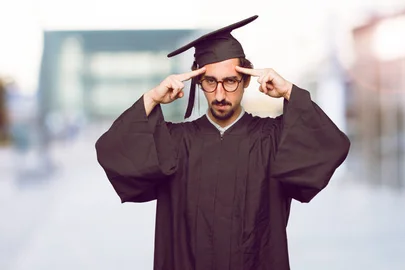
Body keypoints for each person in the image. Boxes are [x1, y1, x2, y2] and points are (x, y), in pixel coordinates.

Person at [95, 15, 350, 270]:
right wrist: (152, 98)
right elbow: (112, 150)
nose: (219, 94)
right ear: (198, 82)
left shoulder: (272, 140)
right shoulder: (175, 143)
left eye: (230, 81)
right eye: (210, 81)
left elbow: (331, 144)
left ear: (246, 80)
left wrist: (289, 92)